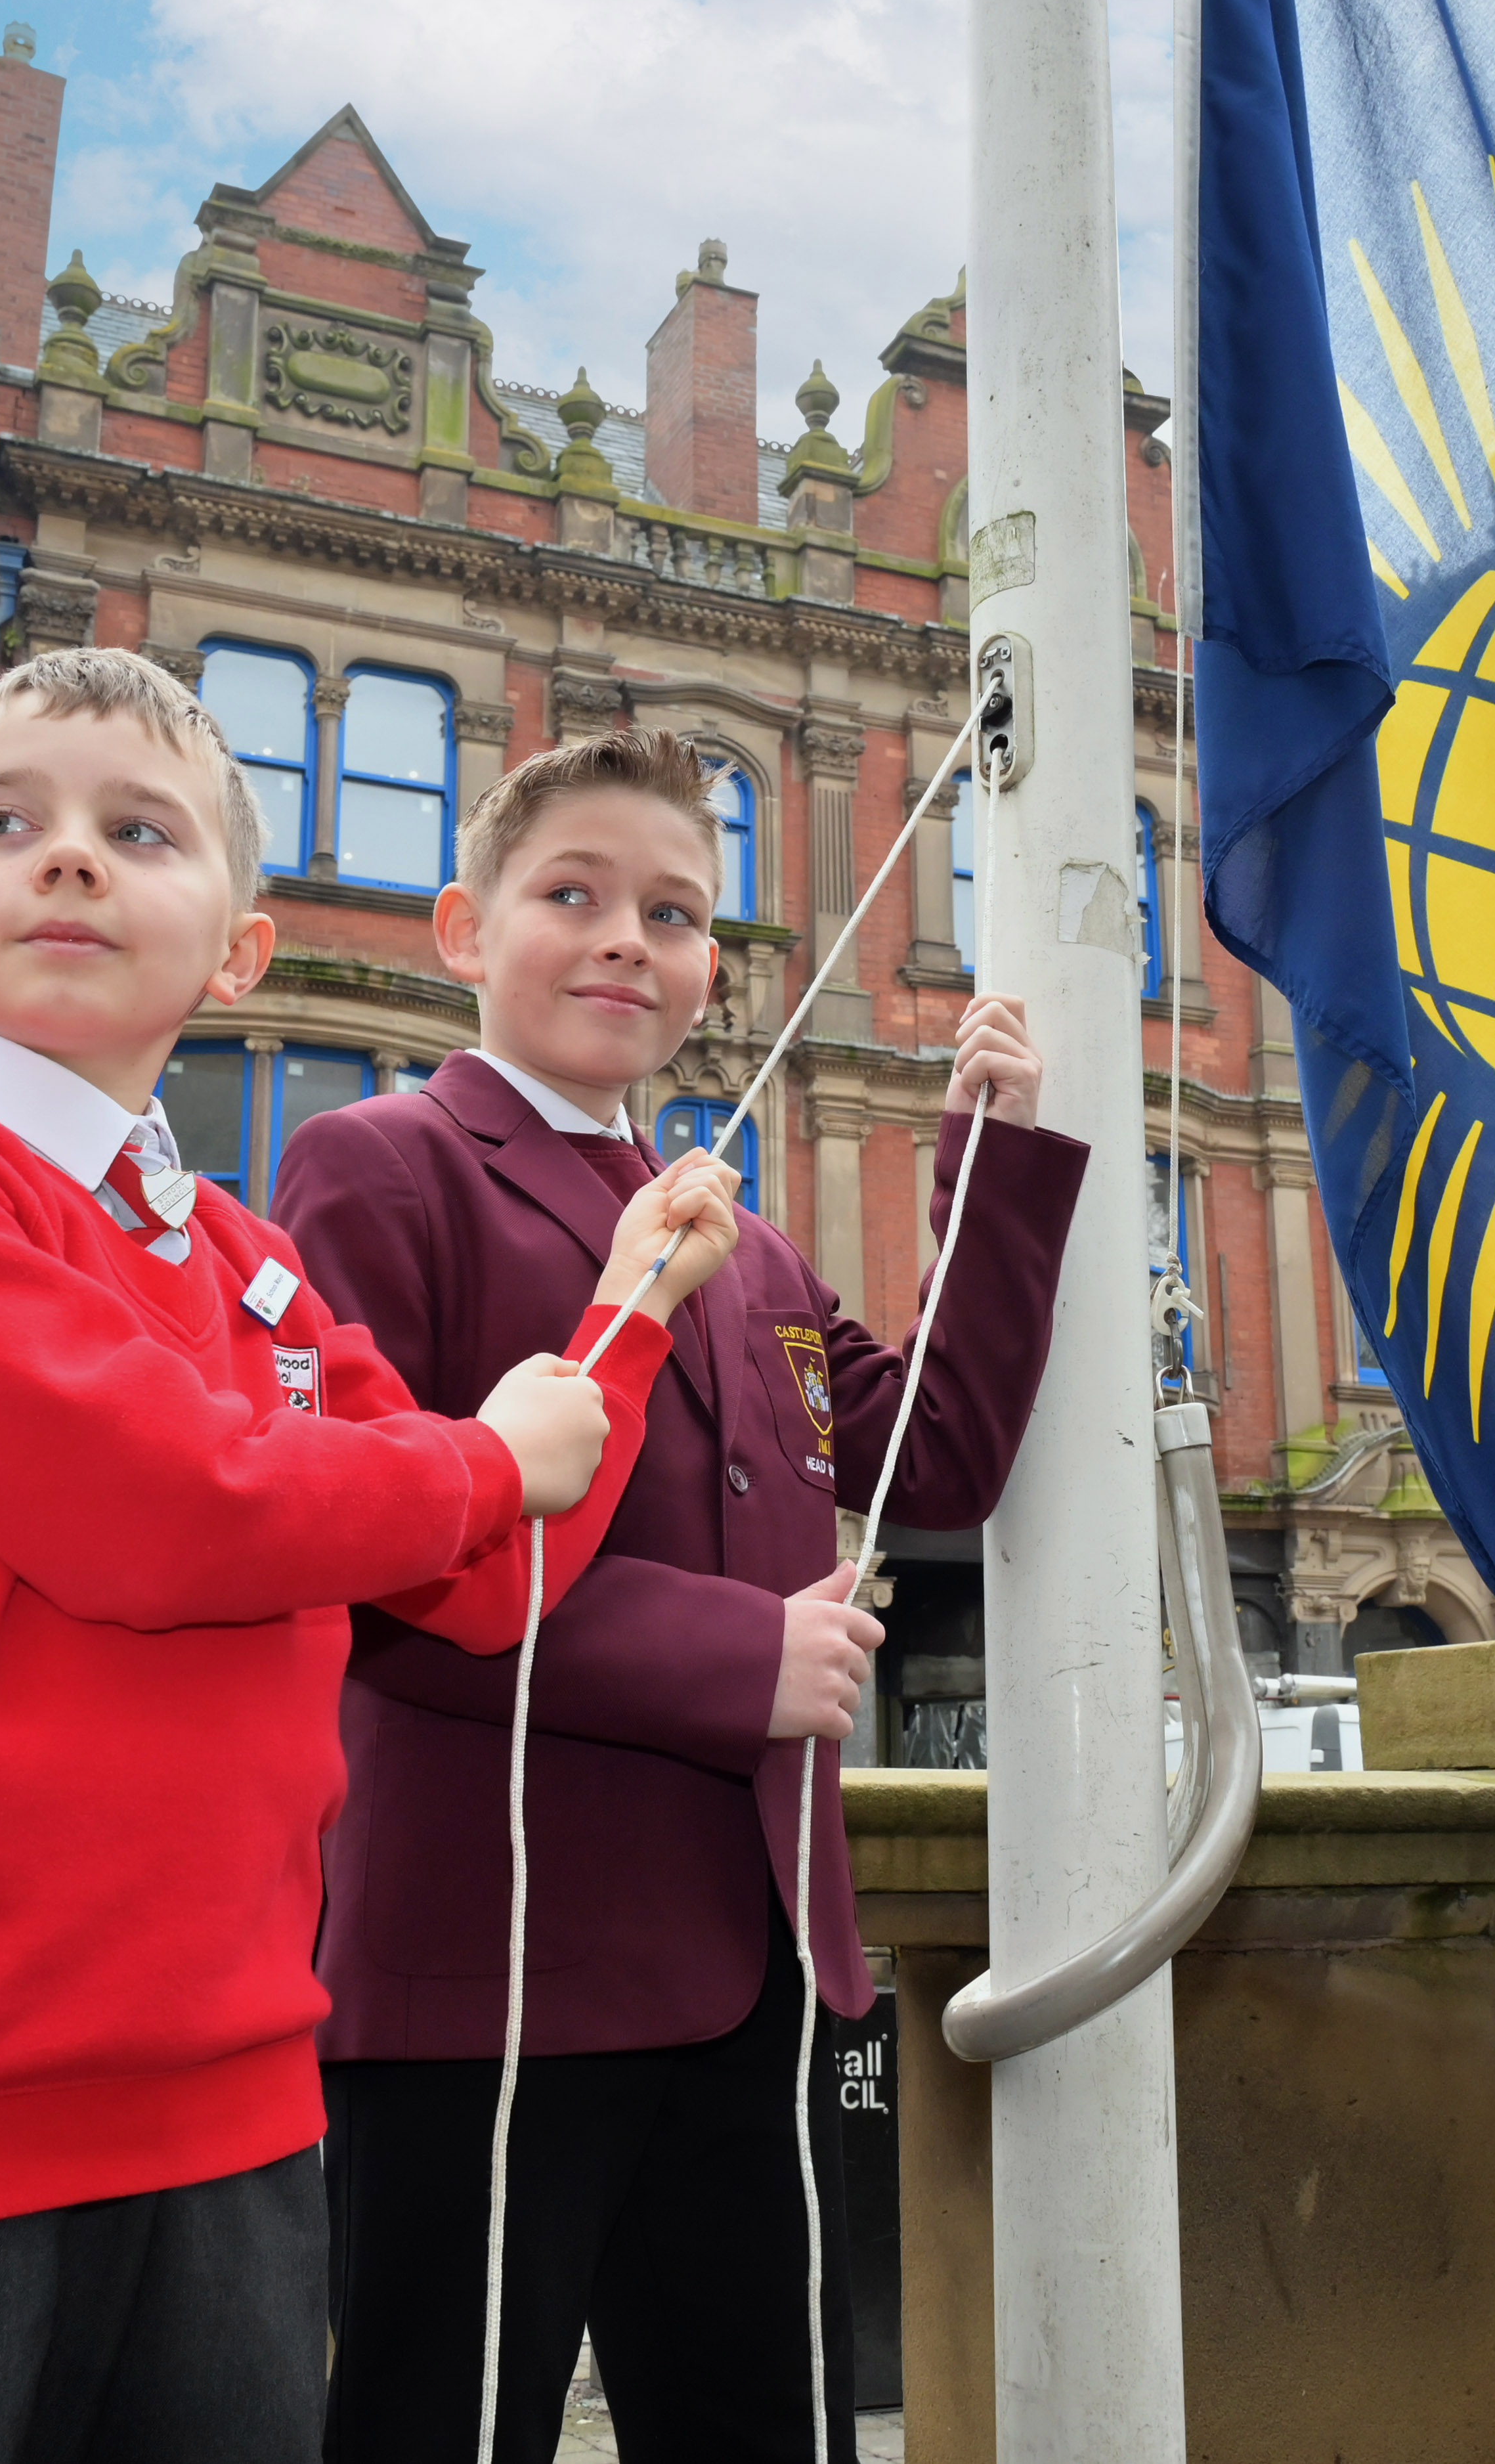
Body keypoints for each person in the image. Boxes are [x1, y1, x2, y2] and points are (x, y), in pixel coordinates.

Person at [0, 651, 742, 2464]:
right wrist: (479, 1451)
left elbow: (489, 1571)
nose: (74, 859)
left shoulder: (245, 1258)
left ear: (237, 951)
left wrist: (627, 1317)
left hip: (238, 2117)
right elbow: (166, 1503)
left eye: (139, 829)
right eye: (10, 822)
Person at [273, 726, 1089, 2462]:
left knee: (770, 2429)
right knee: (437, 2425)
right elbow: (372, 1568)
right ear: (462, 929)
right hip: (489, 1984)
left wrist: (988, 1167)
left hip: (776, 1991)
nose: (627, 936)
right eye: (572, 893)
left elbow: (937, 1452)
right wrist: (743, 1653)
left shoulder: (755, 1243)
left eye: (673, 910)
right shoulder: (378, 1168)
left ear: (717, 967)